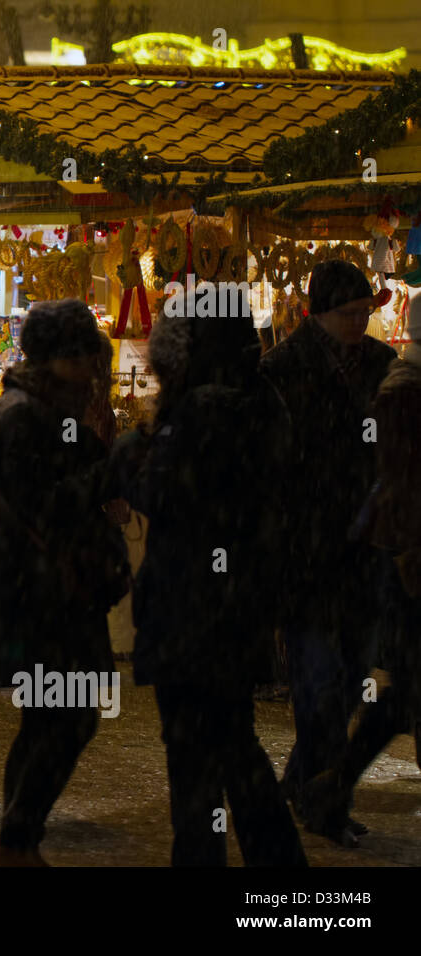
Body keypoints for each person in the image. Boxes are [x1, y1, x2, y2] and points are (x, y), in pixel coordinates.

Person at [113, 292, 307, 866]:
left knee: (201, 761)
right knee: (232, 748)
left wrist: (131, 456)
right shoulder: (257, 396)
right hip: (235, 606)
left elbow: (166, 494)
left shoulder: (203, 410)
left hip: (193, 610)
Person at [0, 299, 123, 864]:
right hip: (40, 592)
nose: (89, 367)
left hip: (57, 589)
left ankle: (20, 834)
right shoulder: (23, 416)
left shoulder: (50, 408)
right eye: (78, 356)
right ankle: (17, 836)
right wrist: (106, 476)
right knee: (67, 716)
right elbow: (46, 506)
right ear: (52, 357)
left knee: (50, 716)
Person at [260, 260, 396, 846]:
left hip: (364, 550)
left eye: (366, 309)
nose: (361, 319)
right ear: (320, 314)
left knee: (345, 680)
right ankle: (325, 802)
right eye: (349, 311)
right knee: (318, 684)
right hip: (305, 553)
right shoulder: (283, 370)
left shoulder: (382, 366)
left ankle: (304, 783)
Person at [301, 292, 421, 841]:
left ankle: (331, 784)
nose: (359, 322)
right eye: (348, 311)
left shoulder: (395, 379)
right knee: (398, 691)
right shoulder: (404, 388)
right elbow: (397, 481)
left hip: (397, 555)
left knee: (403, 693)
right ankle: (329, 784)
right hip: (403, 560)